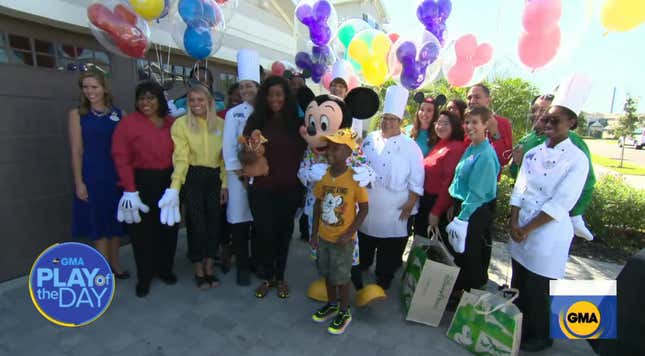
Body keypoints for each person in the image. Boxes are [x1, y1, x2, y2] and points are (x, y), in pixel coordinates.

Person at [509, 74, 591, 352]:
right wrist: (513, 221)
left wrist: (527, 228)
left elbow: (561, 203)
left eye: (556, 120)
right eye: (547, 119)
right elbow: (519, 188)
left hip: (547, 233)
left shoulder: (577, 159)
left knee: (537, 289)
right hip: (520, 228)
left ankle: (541, 336)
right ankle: (515, 328)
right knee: (518, 281)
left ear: (572, 123)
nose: (548, 124)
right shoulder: (533, 154)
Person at [112, 81, 178, 297]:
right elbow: (121, 157)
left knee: (168, 227)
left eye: (150, 97)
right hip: (140, 182)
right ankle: (145, 276)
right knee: (142, 233)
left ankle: (165, 269)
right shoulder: (128, 124)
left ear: (159, 99)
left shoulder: (172, 123)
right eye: (141, 98)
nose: (145, 102)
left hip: (168, 181)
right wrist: (130, 189)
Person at [159, 84, 228, 289]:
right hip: (193, 177)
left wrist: (225, 184)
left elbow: (225, 159)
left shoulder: (222, 125)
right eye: (192, 100)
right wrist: (175, 187)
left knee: (214, 223)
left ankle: (209, 266)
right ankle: (198, 267)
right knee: (197, 225)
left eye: (200, 100)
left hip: (215, 177)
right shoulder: (181, 125)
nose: (196, 104)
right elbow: (180, 158)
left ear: (209, 102)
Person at [245, 75, 307, 299]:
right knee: (263, 233)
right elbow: (244, 154)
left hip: (289, 189)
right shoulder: (255, 121)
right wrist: (250, 151)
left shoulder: (297, 123)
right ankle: (266, 277)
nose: (274, 99)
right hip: (261, 189)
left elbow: (313, 148)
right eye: (270, 94)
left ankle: (279, 277)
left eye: (279, 94)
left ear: (286, 96)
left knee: (284, 233)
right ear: (264, 97)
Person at [358, 85, 425, 290]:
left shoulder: (410, 146)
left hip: (395, 208)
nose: (388, 122)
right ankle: (363, 264)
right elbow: (358, 165)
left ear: (400, 122)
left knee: (390, 244)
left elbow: (417, 179)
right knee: (365, 237)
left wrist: (411, 203)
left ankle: (384, 277)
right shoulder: (369, 140)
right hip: (369, 203)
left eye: (392, 119)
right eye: (385, 118)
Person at [510, 94, 596, 240]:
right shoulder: (528, 142)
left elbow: (586, 183)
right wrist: (514, 222)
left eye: (543, 110)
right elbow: (518, 178)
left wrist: (576, 213)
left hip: (550, 225)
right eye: (535, 109)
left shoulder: (576, 148)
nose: (538, 114)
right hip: (522, 219)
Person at [69, 70, 128, 278]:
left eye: (94, 86)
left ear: (104, 88)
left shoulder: (120, 114)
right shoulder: (77, 115)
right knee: (98, 225)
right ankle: (102, 271)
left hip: (115, 176)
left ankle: (115, 265)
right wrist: (79, 182)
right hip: (92, 176)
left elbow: (126, 148)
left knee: (114, 224)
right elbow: (76, 150)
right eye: (85, 87)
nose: (89, 91)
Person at [310, 128, 369, 335]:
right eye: (330, 147)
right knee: (326, 273)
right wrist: (314, 233)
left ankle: (344, 310)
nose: (330, 152)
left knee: (342, 277)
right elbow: (318, 204)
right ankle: (332, 304)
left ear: (348, 152)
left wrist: (348, 233)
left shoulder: (354, 178)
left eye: (336, 148)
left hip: (343, 241)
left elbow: (364, 208)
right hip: (324, 238)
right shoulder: (324, 176)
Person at [445, 106, 500, 297]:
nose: (469, 126)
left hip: (474, 211)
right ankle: (460, 292)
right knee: (461, 255)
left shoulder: (485, 154)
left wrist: (463, 217)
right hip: (463, 205)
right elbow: (461, 179)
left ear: (485, 124)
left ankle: (470, 297)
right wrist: (455, 205)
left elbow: (477, 192)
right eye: (467, 122)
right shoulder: (472, 147)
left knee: (471, 255)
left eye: (475, 122)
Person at [223, 49, 261, 286]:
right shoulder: (232, 114)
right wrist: (239, 172)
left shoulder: (266, 112)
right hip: (238, 177)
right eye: (243, 86)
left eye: (250, 86)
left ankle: (257, 261)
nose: (246, 90)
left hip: (261, 175)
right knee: (239, 220)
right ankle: (242, 266)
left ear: (258, 86)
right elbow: (228, 145)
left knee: (258, 220)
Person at [414, 110, 466, 239]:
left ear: (454, 125)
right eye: (439, 123)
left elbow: (448, 182)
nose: (440, 126)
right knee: (419, 242)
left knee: (429, 246)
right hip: (425, 200)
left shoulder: (455, 148)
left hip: (437, 203)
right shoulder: (440, 143)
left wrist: (436, 212)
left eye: (445, 123)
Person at [465, 84, 513, 169]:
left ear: (488, 100)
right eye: (469, 98)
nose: (472, 101)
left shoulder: (502, 123)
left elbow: (504, 159)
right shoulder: (464, 124)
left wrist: (494, 132)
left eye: (477, 97)